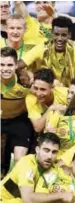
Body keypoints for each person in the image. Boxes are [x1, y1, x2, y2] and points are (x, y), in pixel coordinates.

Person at [18, 16, 75, 87]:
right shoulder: (41, 48)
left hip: (69, 91)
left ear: (69, 35)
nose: (59, 39)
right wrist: (25, 75)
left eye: (63, 35)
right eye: (56, 34)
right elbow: (18, 65)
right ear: (51, 34)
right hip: (47, 91)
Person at [0, 133, 73, 202]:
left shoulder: (53, 167)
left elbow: (70, 186)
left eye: (54, 152)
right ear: (37, 150)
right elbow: (28, 200)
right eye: (46, 150)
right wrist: (60, 195)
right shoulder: (27, 164)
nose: (49, 156)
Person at [1, 47, 33, 175]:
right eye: (1, 64)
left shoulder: (25, 82)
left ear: (16, 66)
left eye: (9, 65)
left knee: (19, 160)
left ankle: (16, 189)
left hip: (19, 120)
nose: (5, 68)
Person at [25, 68, 68, 133]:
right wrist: (51, 108)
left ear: (52, 87)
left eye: (43, 89)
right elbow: (38, 128)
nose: (38, 93)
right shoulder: (31, 98)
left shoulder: (64, 93)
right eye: (36, 88)